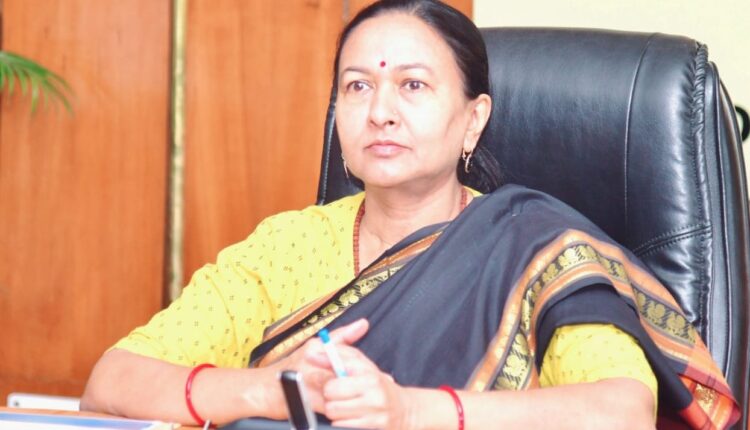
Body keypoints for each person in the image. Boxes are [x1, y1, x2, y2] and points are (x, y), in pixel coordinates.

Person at [81, 1, 739, 429]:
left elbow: (621, 412)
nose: (380, 112)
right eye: (357, 86)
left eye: (413, 85)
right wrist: (273, 390)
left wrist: (407, 411)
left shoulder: (537, 250)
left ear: (473, 120)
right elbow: (112, 382)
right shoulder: (286, 248)